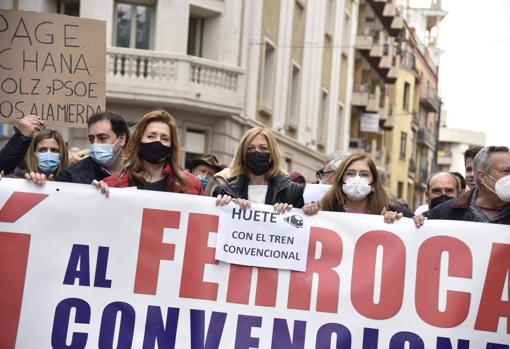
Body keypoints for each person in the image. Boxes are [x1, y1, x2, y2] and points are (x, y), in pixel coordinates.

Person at [95, 109, 203, 196]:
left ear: (171, 147)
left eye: (164, 138)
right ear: (138, 142)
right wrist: (95, 195)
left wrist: (219, 202)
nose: (157, 141)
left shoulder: (191, 185)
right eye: (151, 136)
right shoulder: (112, 186)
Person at [213, 127, 304, 212]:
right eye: (250, 148)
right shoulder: (224, 191)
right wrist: (225, 206)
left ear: (272, 154)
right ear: (243, 154)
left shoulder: (292, 192)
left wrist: (307, 211)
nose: (257, 152)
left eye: (263, 148)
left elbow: (301, 225)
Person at [303, 153, 402, 223]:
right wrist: (309, 213)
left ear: (374, 182)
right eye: (350, 173)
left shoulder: (388, 210)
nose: (357, 178)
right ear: (341, 179)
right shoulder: (326, 208)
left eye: (364, 174)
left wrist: (399, 221)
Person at [428, 146, 510, 225]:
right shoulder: (443, 213)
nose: (471, 174)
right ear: (482, 176)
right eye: (506, 171)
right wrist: (417, 224)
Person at [56, 111, 129, 184]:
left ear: (122, 139)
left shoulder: (138, 173)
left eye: (102, 138)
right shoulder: (71, 176)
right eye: (91, 139)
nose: (95, 144)